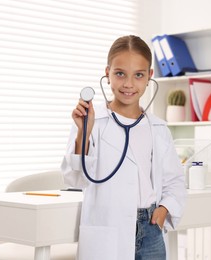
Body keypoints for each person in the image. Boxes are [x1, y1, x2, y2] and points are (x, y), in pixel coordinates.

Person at [61, 35, 186, 260]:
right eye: (120, 73)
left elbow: (175, 180)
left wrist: (164, 210)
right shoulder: (92, 121)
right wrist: (84, 132)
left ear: (149, 76)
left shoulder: (157, 127)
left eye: (138, 75)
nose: (128, 84)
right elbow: (75, 179)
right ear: (107, 73)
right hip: (109, 227)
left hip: (150, 228)